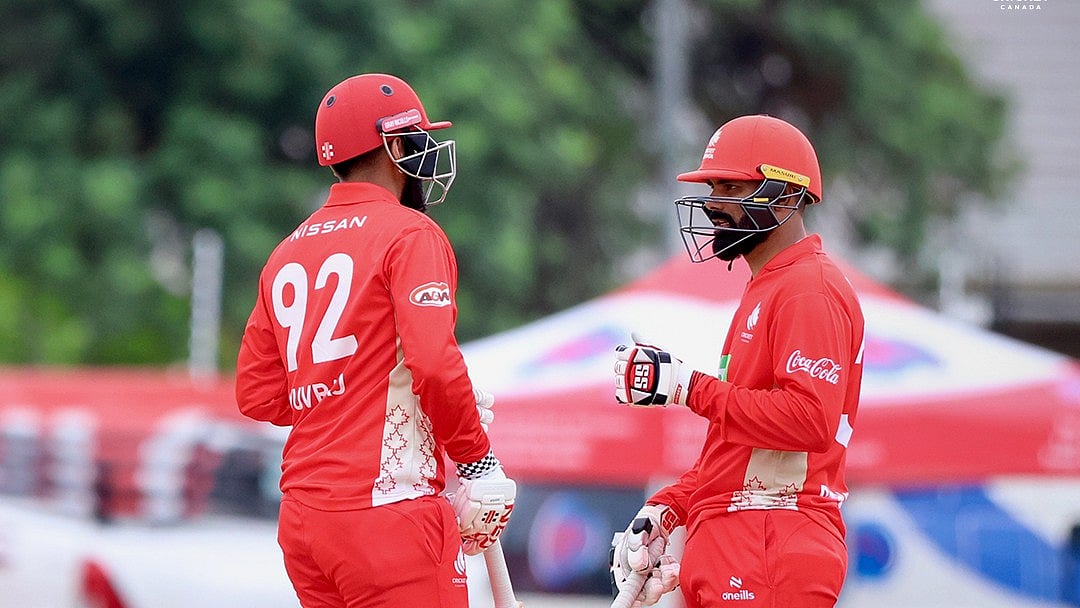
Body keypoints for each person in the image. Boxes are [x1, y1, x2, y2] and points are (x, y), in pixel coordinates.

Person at [236, 73, 515, 608]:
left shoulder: (287, 249)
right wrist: (478, 460)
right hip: (389, 513)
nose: (426, 152)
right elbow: (433, 363)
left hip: (302, 519)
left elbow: (258, 395)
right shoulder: (410, 232)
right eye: (417, 139)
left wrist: (348, 395)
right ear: (392, 145)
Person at [611, 114, 865, 608]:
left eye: (732, 187)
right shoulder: (770, 285)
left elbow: (809, 421)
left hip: (771, 542)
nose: (712, 205)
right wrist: (671, 506)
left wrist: (687, 387)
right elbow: (742, 448)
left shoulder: (807, 289)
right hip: (748, 539)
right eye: (713, 187)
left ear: (788, 196)